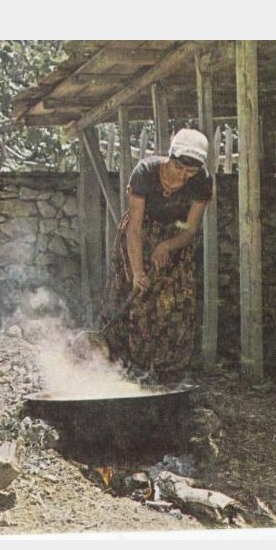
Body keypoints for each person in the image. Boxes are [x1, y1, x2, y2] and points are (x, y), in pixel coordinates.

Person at [98, 127, 212, 383]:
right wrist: (137, 271)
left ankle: (164, 372)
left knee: (174, 303)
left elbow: (190, 228)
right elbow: (134, 229)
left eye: (190, 171)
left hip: (176, 238)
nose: (183, 175)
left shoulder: (202, 181)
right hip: (140, 237)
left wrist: (168, 246)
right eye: (179, 167)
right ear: (169, 158)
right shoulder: (145, 173)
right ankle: (121, 367)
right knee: (132, 294)